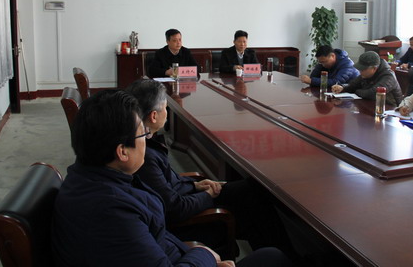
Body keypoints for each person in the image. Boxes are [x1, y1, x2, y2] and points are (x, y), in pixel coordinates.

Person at [52, 89, 292, 267]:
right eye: (142, 135)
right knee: (273, 258)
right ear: (122, 151)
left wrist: (198, 255)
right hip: (186, 253)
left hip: (180, 253)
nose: (146, 141)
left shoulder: (95, 177)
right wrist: (204, 256)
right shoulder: (112, 211)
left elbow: (156, 236)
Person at [126, 79, 294, 261]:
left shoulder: (148, 143)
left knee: (251, 190)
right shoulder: (144, 157)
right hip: (185, 217)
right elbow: (175, 209)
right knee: (252, 211)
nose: (167, 111)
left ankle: (281, 256)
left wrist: (196, 185)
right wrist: (208, 195)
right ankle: (281, 258)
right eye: (165, 108)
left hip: (188, 195)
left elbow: (169, 182)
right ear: (153, 116)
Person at [331, 51, 403, 107]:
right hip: (371, 106)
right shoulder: (366, 74)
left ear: (374, 68)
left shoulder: (388, 76)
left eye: (363, 69)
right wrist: (342, 87)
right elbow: (353, 85)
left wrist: (356, 91)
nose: (360, 72)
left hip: (390, 110)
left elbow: (372, 94)